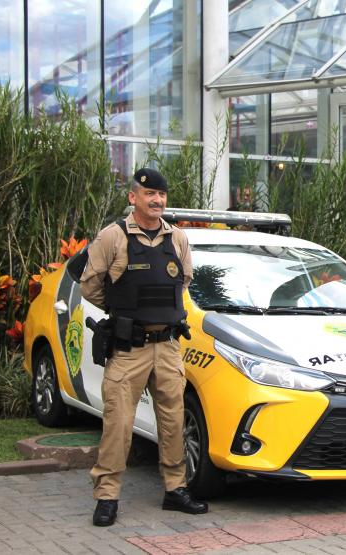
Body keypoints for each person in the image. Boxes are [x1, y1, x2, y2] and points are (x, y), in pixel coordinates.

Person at [80, 168, 207, 526]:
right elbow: (91, 285)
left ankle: (175, 490)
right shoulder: (113, 237)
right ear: (133, 197)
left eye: (162, 195)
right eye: (149, 194)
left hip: (167, 346)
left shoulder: (177, 238)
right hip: (129, 347)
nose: (158, 200)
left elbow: (182, 282)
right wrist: (122, 311)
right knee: (118, 423)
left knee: (172, 420)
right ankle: (107, 496)